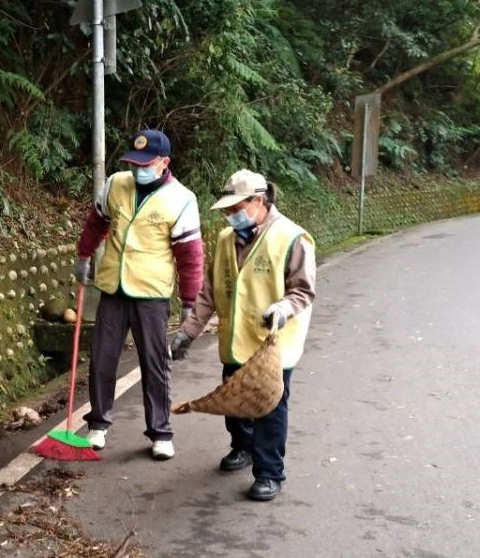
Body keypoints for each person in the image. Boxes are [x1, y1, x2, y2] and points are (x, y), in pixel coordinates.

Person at [171, 169, 316, 501]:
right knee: (235, 401)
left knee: (268, 407)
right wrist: (189, 332)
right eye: (227, 209)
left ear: (259, 201)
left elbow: (303, 291)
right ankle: (243, 447)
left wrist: (282, 308)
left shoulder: (292, 238)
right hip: (236, 341)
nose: (230, 215)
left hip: (272, 346)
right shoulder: (226, 239)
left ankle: (269, 472)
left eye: (236, 208)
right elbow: (209, 292)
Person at [74, 128, 204, 460]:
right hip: (113, 288)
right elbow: (96, 223)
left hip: (151, 293)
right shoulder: (116, 184)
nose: (138, 170)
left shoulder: (182, 199)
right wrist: (84, 256)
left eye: (146, 164)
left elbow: (190, 257)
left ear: (164, 163)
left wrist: (190, 303)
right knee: (102, 359)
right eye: (134, 163)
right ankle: (98, 425)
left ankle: (160, 432)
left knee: (155, 362)